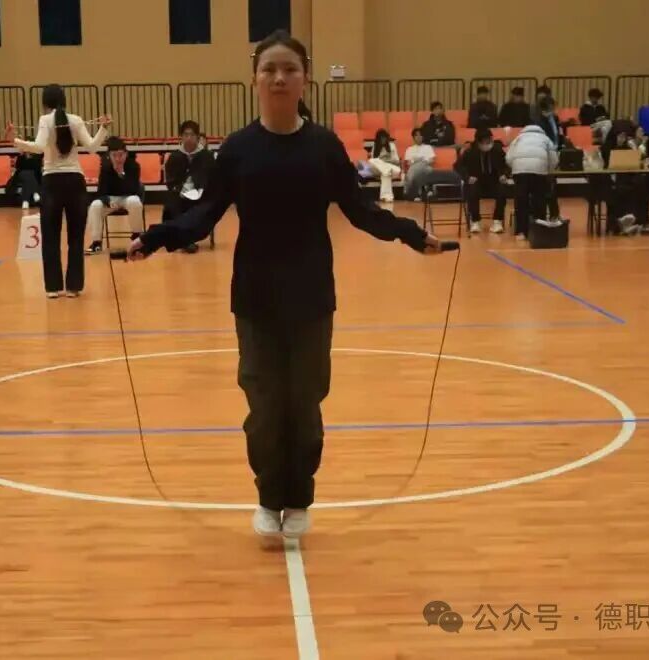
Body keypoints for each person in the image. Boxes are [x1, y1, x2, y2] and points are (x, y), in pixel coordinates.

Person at [125, 30, 444, 541]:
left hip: (312, 294)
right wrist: (157, 237)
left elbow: (360, 210)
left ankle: (298, 498)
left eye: (289, 69)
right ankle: (269, 496)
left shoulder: (323, 146)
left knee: (305, 402)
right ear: (255, 79)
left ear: (305, 79)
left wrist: (409, 233)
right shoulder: (237, 149)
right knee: (265, 405)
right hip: (254, 296)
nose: (279, 77)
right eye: (269, 69)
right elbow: (204, 214)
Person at [12, 83, 109, 297]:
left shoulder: (44, 120)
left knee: (50, 236)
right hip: (75, 181)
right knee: (76, 237)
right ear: (63, 100)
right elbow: (92, 147)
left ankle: (53, 288)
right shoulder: (76, 119)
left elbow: (38, 148)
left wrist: (15, 140)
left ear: (45, 102)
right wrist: (103, 128)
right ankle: (73, 287)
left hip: (52, 182)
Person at [163, 120, 216, 253]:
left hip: (201, 194)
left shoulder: (206, 156)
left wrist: (199, 190)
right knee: (173, 202)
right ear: (181, 137)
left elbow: (212, 178)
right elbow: (170, 181)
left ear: (197, 137)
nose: (188, 138)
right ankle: (183, 238)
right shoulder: (175, 157)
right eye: (185, 135)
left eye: (192, 135)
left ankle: (187, 239)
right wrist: (181, 190)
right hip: (180, 194)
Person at [87, 136, 143, 253]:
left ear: (126, 154)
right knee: (95, 205)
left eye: (121, 155)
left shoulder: (134, 166)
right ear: (109, 155)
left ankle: (137, 237)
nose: (118, 159)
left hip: (128, 197)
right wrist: (108, 202)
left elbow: (133, 189)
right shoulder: (105, 167)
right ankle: (96, 242)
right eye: (114, 155)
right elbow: (101, 191)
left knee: (135, 202)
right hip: (111, 199)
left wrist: (121, 173)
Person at [506, 124, 558, 241]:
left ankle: (521, 232)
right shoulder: (545, 139)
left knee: (521, 202)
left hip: (520, 172)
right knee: (539, 200)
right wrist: (548, 170)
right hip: (539, 171)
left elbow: (508, 158)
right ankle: (539, 230)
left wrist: (515, 168)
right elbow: (554, 159)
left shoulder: (518, 138)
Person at [455, 128, 508, 234]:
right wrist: (467, 177)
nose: (487, 143)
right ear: (478, 142)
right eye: (484, 141)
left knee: (502, 190)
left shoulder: (497, 150)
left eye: (489, 140)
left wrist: (504, 175)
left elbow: (506, 165)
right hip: (476, 181)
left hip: (493, 181)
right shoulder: (469, 152)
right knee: (472, 190)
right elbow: (458, 166)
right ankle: (475, 221)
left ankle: (497, 221)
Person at [368, 129, 401, 202]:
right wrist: (381, 161)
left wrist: (386, 161)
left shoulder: (392, 146)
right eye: (381, 138)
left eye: (384, 138)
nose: (383, 140)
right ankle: (386, 197)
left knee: (386, 172)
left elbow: (397, 162)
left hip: (392, 169)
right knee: (372, 162)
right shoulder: (375, 146)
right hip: (379, 169)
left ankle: (386, 196)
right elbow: (374, 162)